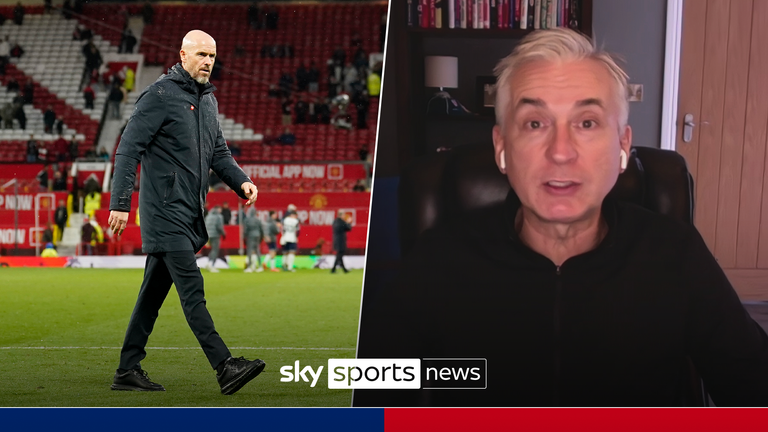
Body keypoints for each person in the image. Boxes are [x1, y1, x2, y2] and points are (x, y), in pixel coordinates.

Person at [354, 28, 768, 407]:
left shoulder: (675, 254)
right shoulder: (442, 256)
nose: (561, 151)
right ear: (502, 148)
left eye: (586, 123)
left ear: (622, 146)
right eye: (535, 123)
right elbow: (366, 387)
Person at [107, 30, 264, 394]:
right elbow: (128, 149)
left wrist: (241, 180)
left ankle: (127, 369)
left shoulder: (208, 101)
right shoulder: (159, 95)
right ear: (183, 54)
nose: (208, 61)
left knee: (152, 294)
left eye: (212, 55)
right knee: (192, 287)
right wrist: (119, 203)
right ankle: (225, 366)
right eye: (201, 54)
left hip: (188, 210)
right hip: (164, 212)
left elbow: (219, 153)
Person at [204, 205, 225, 272]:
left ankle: (209, 263)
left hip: (208, 235)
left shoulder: (208, 216)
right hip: (215, 235)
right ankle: (211, 264)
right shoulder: (219, 217)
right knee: (215, 250)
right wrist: (224, 234)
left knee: (212, 250)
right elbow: (219, 227)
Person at [243, 206, 264, 273]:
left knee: (249, 251)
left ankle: (249, 267)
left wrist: (244, 237)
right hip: (257, 235)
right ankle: (260, 266)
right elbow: (261, 229)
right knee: (257, 250)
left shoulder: (247, 220)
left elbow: (245, 230)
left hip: (250, 236)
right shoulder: (258, 220)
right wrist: (261, 237)